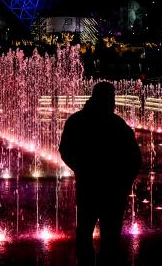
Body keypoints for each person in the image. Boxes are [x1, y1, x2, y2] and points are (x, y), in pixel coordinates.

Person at [59, 82, 142, 265]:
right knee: (109, 240)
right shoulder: (117, 124)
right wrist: (124, 182)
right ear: (104, 99)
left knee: (85, 235)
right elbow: (135, 159)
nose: (113, 104)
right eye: (111, 99)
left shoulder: (77, 121)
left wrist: (81, 169)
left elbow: (65, 150)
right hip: (112, 192)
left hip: (90, 188)